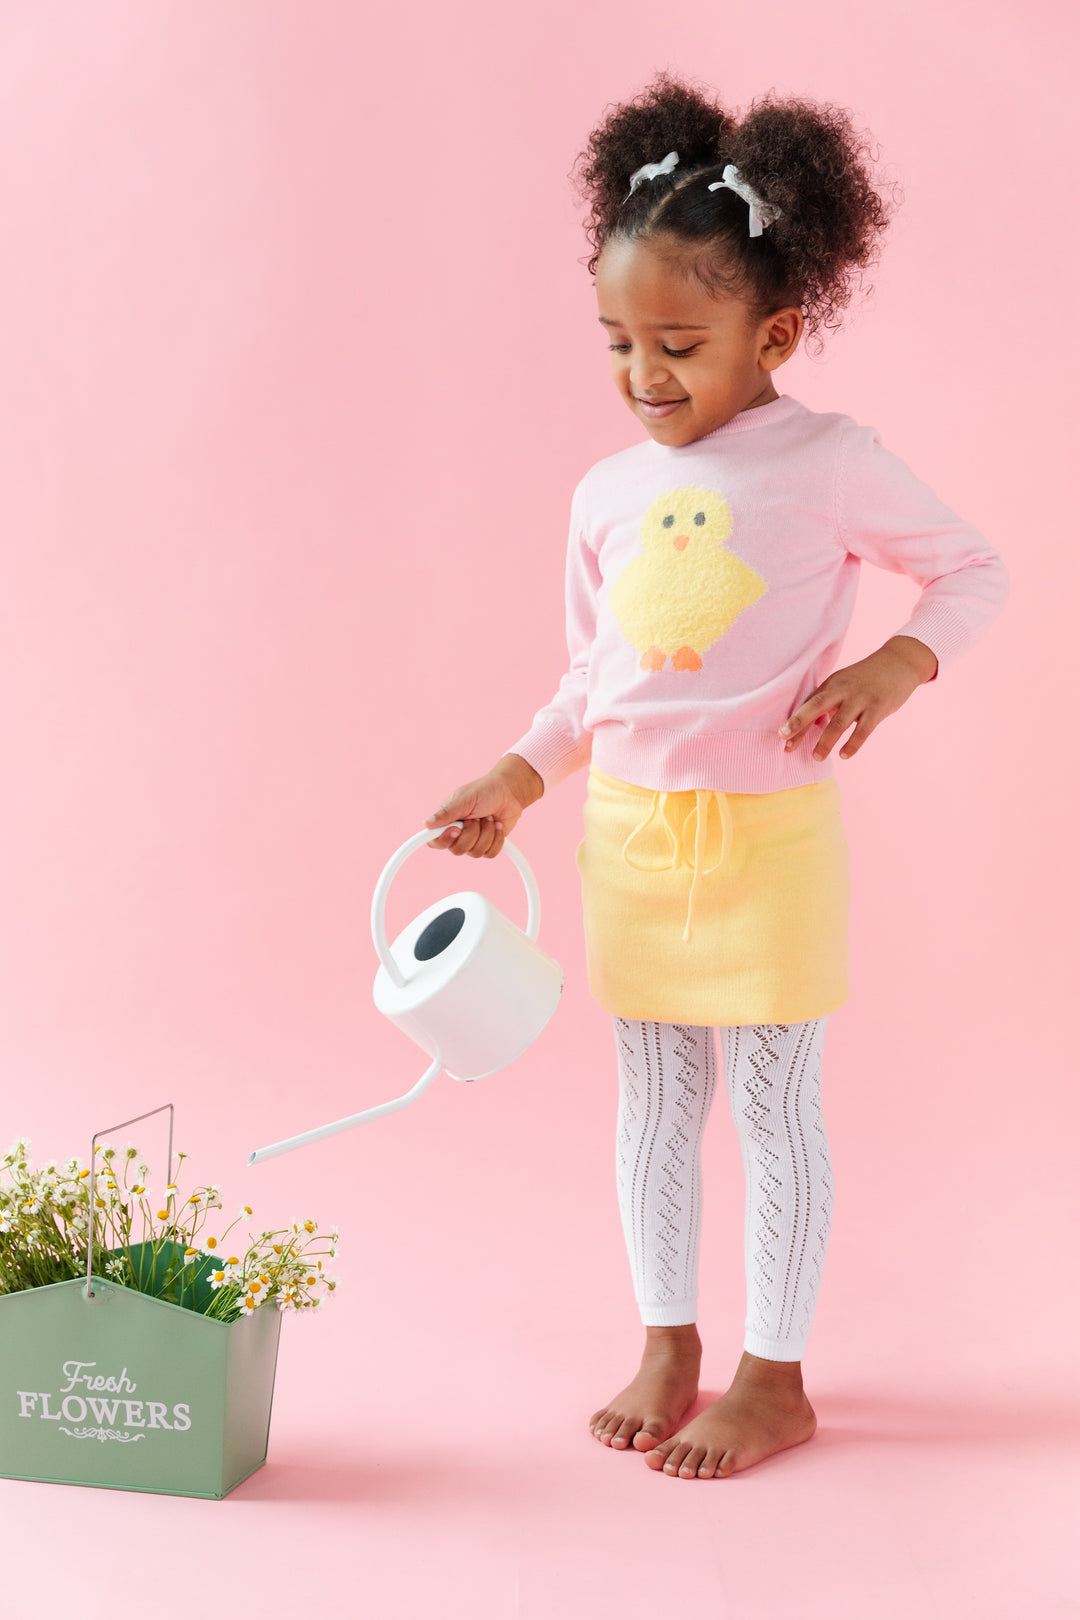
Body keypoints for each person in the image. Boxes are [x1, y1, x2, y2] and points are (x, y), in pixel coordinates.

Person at [423, 71, 1010, 1481]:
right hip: (629, 836)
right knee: (652, 1100)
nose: (645, 375)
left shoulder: (829, 459)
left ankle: (776, 1372)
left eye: (680, 342)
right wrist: (518, 773)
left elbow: (973, 572)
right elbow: (593, 683)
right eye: (620, 342)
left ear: (778, 331)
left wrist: (894, 665)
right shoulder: (602, 493)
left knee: (772, 1102)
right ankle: (670, 1339)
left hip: (770, 844)